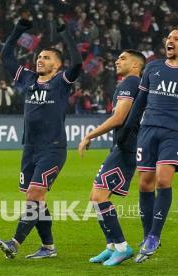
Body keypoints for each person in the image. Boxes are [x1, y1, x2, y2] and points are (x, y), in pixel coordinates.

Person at [0, 15, 82, 259]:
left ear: (57, 65)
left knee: (34, 195)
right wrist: (17, 30)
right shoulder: (28, 78)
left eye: (46, 57)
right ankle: (48, 247)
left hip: (52, 148)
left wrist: (65, 34)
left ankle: (14, 242)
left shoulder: (62, 82)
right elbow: (6, 57)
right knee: (37, 200)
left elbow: (77, 62)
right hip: (29, 148)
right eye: (39, 56)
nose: (40, 60)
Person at [78, 50, 146, 266]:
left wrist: (89, 134)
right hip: (123, 146)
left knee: (99, 197)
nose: (117, 60)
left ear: (136, 65)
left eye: (123, 58)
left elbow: (119, 117)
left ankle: (122, 246)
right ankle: (111, 246)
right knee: (94, 196)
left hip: (126, 147)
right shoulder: (131, 83)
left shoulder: (131, 82)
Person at [118, 29, 178, 263]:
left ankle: (154, 235)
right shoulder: (153, 68)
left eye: (176, 39)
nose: (170, 41)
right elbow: (140, 103)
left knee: (164, 180)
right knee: (144, 183)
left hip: (174, 133)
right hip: (148, 130)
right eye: (169, 38)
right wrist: (126, 130)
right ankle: (147, 236)